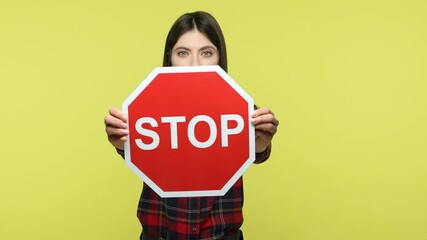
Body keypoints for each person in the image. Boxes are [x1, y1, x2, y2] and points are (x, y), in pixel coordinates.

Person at [104, 11, 279, 240]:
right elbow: (142, 152)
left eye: (206, 53)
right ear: (170, 58)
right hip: (160, 235)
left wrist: (259, 145)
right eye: (183, 53)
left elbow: (258, 154)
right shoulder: (147, 105)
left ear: (219, 56)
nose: (195, 63)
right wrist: (122, 143)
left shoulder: (239, 105)